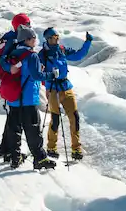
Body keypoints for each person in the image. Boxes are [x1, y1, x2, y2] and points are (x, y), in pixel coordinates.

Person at [2, 25, 58, 170]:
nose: (36, 40)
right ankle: (39, 158)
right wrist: (52, 74)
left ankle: (15, 157)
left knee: (14, 129)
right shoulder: (31, 55)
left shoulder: (13, 52)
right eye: (34, 38)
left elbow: (8, 67)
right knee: (33, 130)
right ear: (27, 40)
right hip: (28, 98)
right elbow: (36, 76)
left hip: (14, 99)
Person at [39, 27, 93, 161]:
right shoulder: (43, 54)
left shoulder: (61, 49)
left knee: (74, 116)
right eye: (54, 37)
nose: (56, 39)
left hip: (65, 86)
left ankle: (76, 148)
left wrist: (87, 42)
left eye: (57, 37)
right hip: (53, 89)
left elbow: (78, 55)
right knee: (55, 119)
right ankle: (51, 147)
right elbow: (38, 71)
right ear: (48, 39)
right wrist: (47, 81)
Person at [0, 13, 31, 163]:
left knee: (12, 118)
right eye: (27, 23)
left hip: (14, 81)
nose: (29, 26)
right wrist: (10, 68)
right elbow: (3, 59)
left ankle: (5, 148)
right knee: (15, 120)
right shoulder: (13, 39)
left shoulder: (14, 37)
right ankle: (12, 153)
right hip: (14, 82)